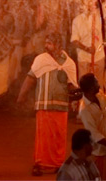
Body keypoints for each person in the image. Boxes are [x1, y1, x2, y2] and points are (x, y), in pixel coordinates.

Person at [17, 33, 78, 176]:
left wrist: (77, 98)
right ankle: (39, 164)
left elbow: (72, 85)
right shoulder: (41, 59)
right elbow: (30, 78)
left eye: (49, 43)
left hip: (61, 105)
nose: (46, 46)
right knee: (43, 136)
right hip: (44, 104)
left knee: (59, 135)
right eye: (46, 42)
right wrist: (22, 96)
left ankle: (58, 164)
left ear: (58, 45)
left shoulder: (69, 63)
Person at [78, 73, 106, 180]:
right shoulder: (84, 109)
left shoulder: (101, 96)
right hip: (98, 154)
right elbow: (93, 134)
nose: (99, 85)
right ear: (91, 88)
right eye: (97, 82)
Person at [71, 0, 106, 89]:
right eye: (88, 2)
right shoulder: (77, 20)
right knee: (84, 87)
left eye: (93, 2)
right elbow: (74, 41)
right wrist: (87, 49)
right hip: (84, 58)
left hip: (99, 56)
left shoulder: (100, 17)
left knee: (98, 87)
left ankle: (99, 102)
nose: (91, 5)